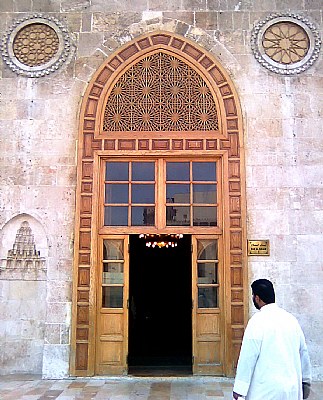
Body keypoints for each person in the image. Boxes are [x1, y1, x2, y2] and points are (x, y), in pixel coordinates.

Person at [233, 279, 312, 400]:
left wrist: (239, 389)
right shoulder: (291, 320)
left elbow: (248, 357)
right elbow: (303, 352)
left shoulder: (257, 322)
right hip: (291, 388)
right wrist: (306, 380)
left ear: (257, 298)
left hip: (265, 390)